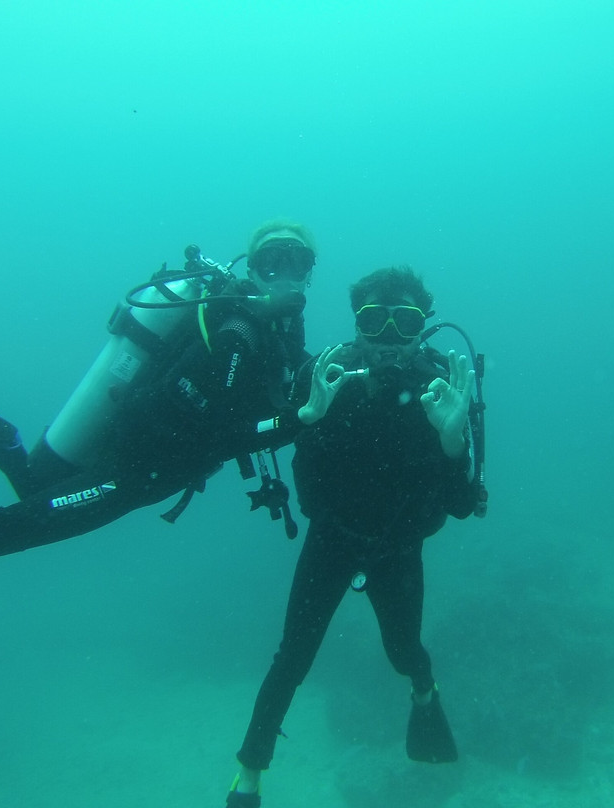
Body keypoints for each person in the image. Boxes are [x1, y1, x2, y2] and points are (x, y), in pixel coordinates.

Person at [0, 220, 318, 558]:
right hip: (132, 468)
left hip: (138, 462)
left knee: (34, 485)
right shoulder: (239, 331)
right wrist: (301, 418)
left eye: (299, 262)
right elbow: (215, 426)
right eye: (274, 258)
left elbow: (265, 400)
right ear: (252, 266)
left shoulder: (275, 332)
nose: (286, 272)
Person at [225, 266, 480, 808]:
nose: (390, 335)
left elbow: (460, 506)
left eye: (405, 320)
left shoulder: (445, 385)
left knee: (403, 650)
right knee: (292, 657)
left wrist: (454, 436)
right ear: (356, 323)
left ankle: (424, 692)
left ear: (423, 324)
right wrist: (308, 418)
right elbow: (307, 493)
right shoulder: (326, 375)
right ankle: (248, 776)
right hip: (332, 539)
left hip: (399, 545)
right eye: (374, 320)